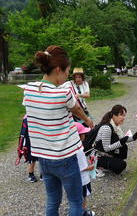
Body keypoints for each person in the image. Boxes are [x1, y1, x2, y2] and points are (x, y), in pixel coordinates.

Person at [23, 45, 94, 216]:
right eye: (67, 71)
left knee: (53, 201)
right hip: (64, 158)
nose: (68, 75)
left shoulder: (29, 90)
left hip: (44, 158)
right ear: (57, 69)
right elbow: (76, 108)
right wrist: (88, 120)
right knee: (76, 202)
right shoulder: (62, 93)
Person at [93, 105, 137, 174]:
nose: (123, 118)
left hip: (105, 153)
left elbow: (122, 139)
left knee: (123, 147)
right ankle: (99, 166)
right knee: (121, 165)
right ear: (113, 115)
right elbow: (106, 148)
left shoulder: (116, 126)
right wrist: (121, 142)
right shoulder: (107, 128)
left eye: (124, 115)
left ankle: (111, 162)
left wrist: (134, 137)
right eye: (121, 115)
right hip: (98, 155)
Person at [74, 122, 95, 216]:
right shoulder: (78, 150)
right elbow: (81, 168)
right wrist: (91, 167)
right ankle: (83, 212)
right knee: (83, 196)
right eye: (83, 133)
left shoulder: (73, 147)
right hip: (82, 179)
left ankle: (78, 210)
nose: (85, 135)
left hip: (74, 179)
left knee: (76, 196)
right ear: (79, 135)